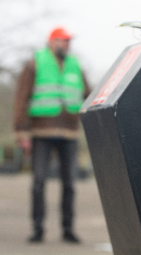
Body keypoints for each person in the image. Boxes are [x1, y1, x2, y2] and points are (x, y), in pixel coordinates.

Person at [13, 27, 91, 243]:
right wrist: (21, 131)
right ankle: (37, 229)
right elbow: (21, 98)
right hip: (41, 132)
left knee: (70, 184)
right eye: (63, 41)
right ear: (51, 42)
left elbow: (88, 95)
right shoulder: (34, 64)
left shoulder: (76, 65)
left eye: (69, 41)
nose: (67, 45)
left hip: (69, 133)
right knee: (39, 182)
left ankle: (68, 229)